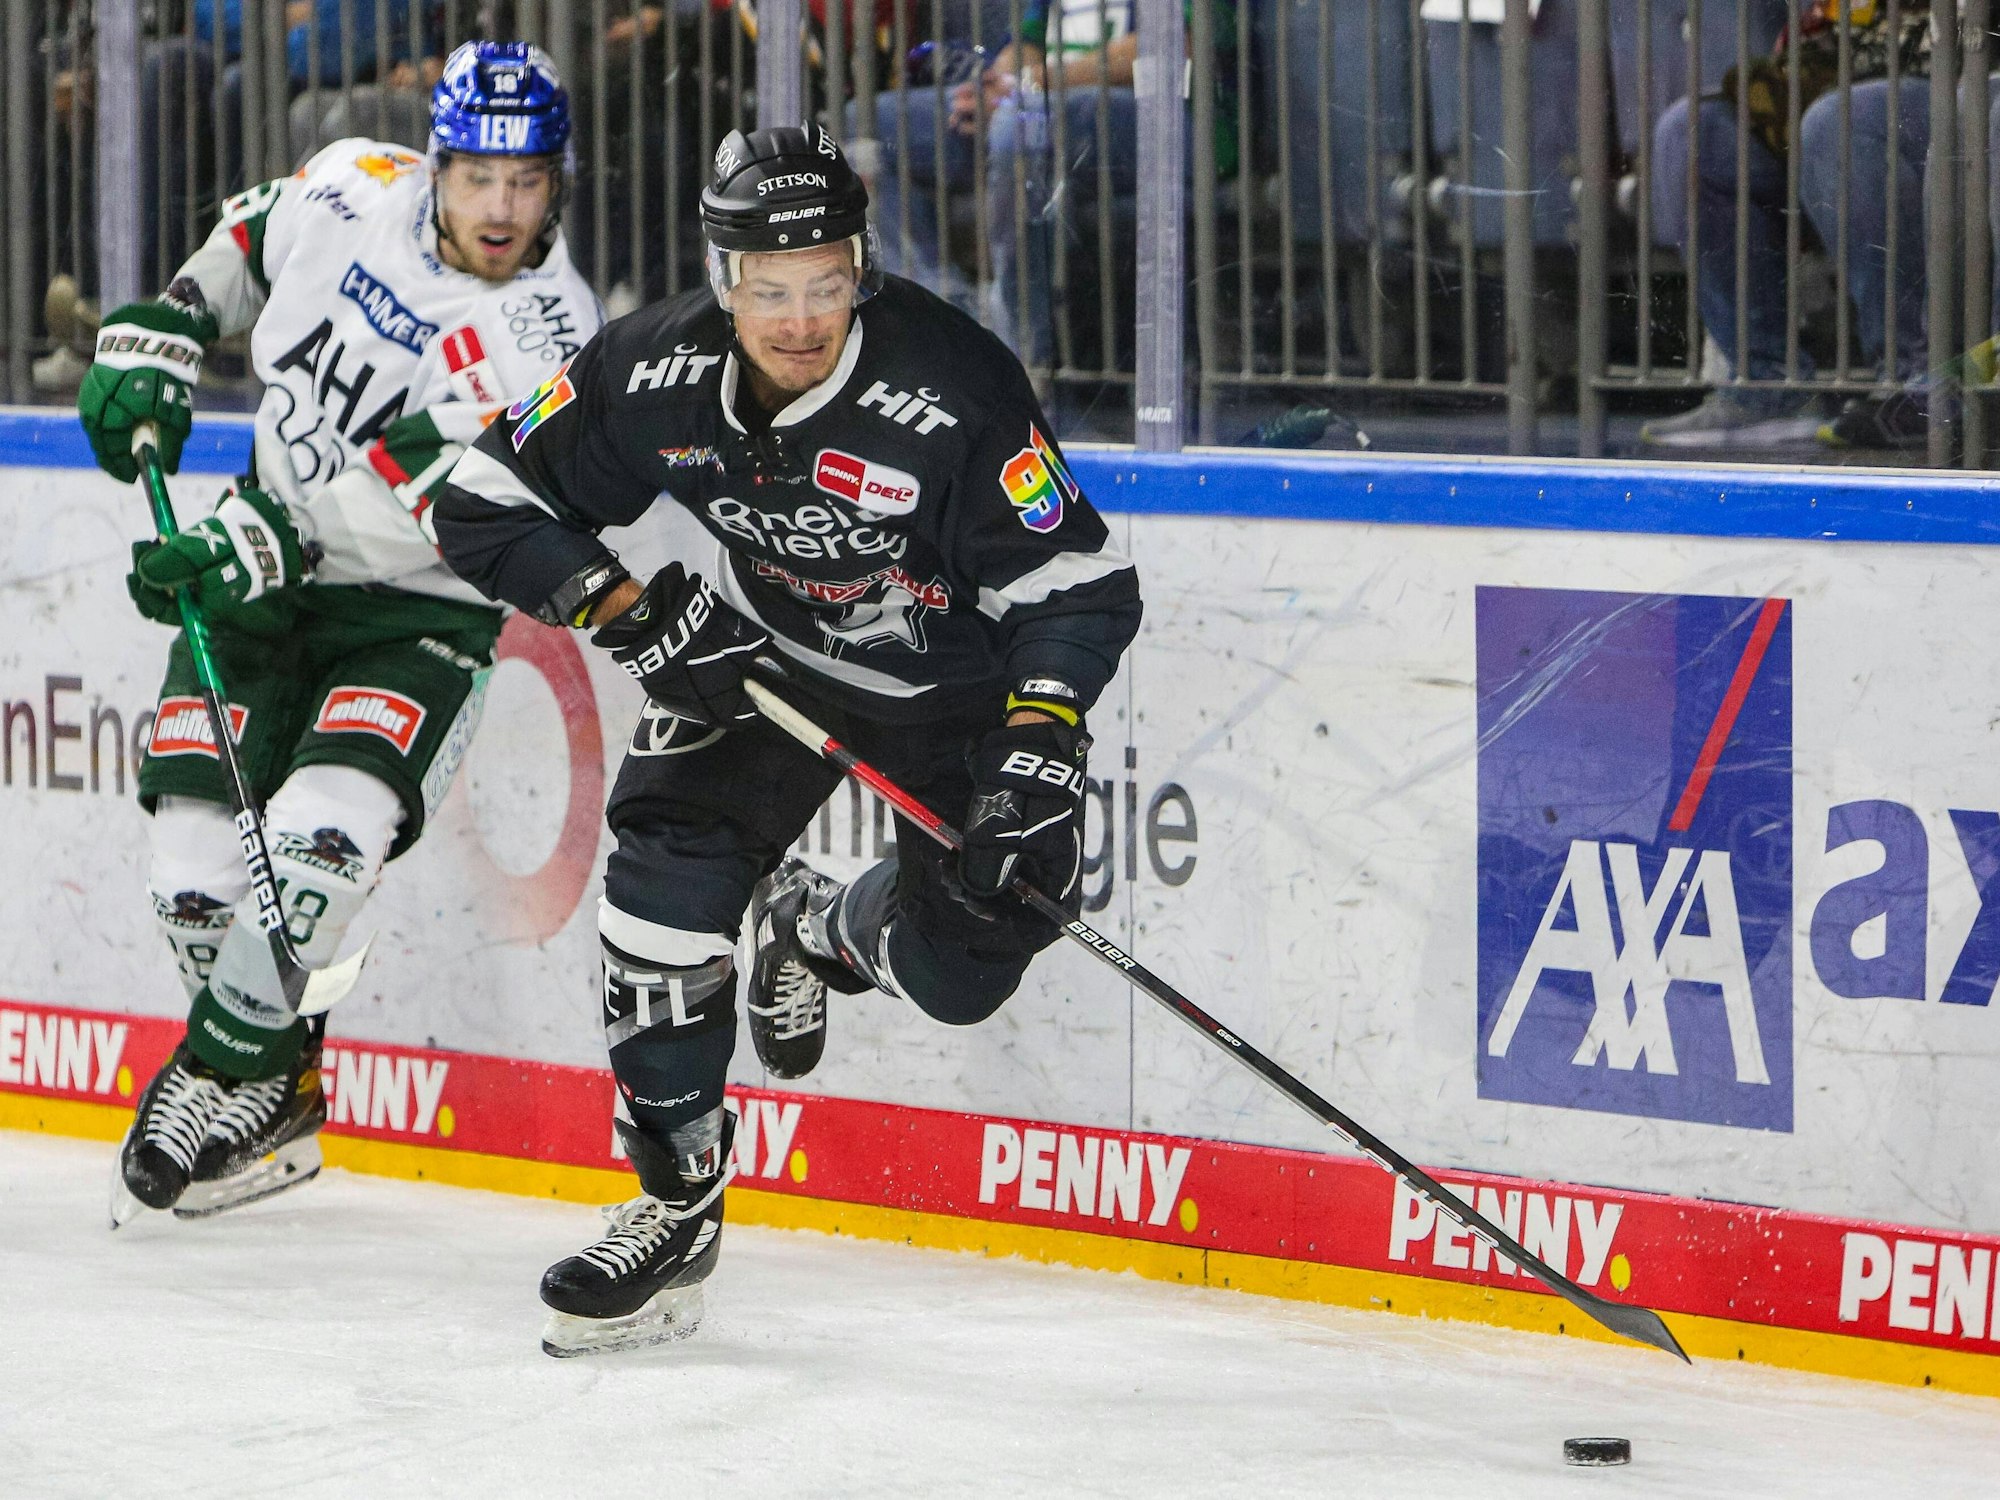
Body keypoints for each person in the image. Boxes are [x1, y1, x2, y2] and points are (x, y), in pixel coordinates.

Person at [432, 124, 1142, 1356]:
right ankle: (673, 1210)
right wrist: (630, 612)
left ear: (859, 265)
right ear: (721, 279)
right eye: (768, 290)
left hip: (950, 697)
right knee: (655, 904)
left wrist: (1035, 752)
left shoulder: (949, 384)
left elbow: (1074, 583)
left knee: (963, 974)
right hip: (756, 674)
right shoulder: (650, 369)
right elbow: (483, 498)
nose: (799, 317)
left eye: (824, 283)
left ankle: (818, 925)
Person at [77, 41, 602, 1225]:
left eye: (526, 182)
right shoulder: (353, 182)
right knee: (192, 887)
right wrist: (166, 327)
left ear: (558, 180)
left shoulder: (549, 335)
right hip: (260, 567)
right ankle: (283, 1088)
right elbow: (253, 241)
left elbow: (439, 499)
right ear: (438, 165)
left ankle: (219, 1071)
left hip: (413, 613)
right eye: (479, 178)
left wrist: (254, 540)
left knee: (320, 851)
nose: (503, 209)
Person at [1642, 5, 1933, 450]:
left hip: (1952, 76)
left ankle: (1916, 381)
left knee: (1838, 124)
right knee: (1689, 134)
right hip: (1839, 75)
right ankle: (1768, 385)